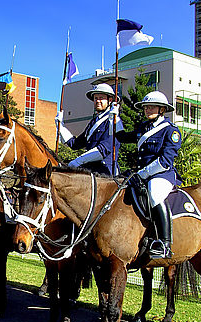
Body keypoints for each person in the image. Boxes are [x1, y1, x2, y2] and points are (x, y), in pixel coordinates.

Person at [116, 91, 182, 259]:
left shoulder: (170, 131)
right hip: (141, 174)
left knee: (154, 193)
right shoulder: (143, 128)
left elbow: (166, 160)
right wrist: (115, 116)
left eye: (151, 106)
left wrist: (143, 173)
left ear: (162, 109)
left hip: (162, 174)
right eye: (145, 107)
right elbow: (122, 137)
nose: (147, 109)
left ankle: (164, 243)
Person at [57, 83, 123, 176]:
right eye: (96, 98)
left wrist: (77, 161)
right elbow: (75, 144)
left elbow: (104, 149)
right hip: (90, 171)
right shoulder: (93, 122)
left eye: (101, 98)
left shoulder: (113, 121)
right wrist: (60, 127)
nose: (98, 101)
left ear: (110, 100)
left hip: (105, 172)